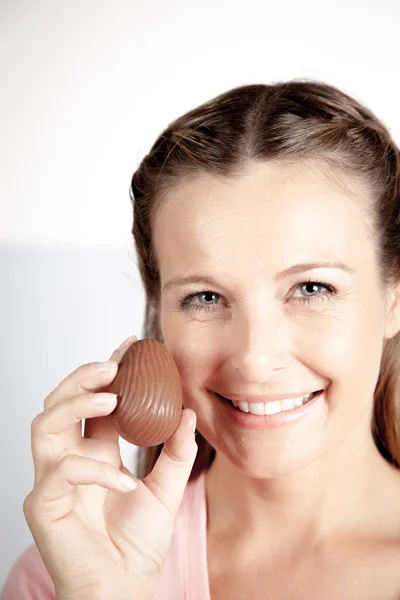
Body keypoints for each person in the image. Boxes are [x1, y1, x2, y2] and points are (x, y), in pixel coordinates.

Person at [2, 79, 400, 600]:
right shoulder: (62, 575)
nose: (255, 359)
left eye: (312, 287)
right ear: (160, 309)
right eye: (206, 298)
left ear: (393, 297)